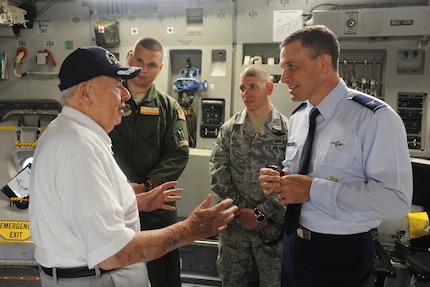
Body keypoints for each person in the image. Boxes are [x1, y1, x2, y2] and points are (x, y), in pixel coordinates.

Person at [28, 46, 238, 287]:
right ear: (85, 93)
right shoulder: (82, 149)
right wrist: (190, 229)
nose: (126, 95)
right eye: (117, 87)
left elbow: (77, 208)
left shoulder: (64, 133)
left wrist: (135, 201)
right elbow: (113, 253)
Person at [258, 25, 413, 287]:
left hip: (341, 255)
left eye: (292, 66)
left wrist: (313, 190)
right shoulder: (299, 117)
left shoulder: (375, 118)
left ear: (324, 63)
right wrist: (280, 179)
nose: (283, 78)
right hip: (294, 247)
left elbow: (395, 200)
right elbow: (297, 171)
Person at [108, 37, 189, 287]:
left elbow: (178, 154)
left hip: (157, 210)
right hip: (113, 205)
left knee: (161, 273)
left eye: (152, 65)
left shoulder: (169, 107)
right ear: (129, 58)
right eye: (139, 61)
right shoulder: (108, 101)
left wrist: (146, 188)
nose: (144, 69)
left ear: (161, 68)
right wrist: (123, 190)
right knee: (115, 271)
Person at [210, 64, 288, 286]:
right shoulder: (229, 129)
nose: (246, 94)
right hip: (235, 229)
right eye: (242, 88)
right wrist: (240, 212)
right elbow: (218, 171)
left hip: (272, 230)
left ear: (269, 88)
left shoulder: (287, 131)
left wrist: (261, 213)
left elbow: (290, 180)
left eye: (253, 86)